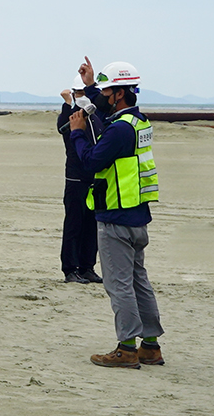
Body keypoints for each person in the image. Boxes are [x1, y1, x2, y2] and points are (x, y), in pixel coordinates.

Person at [69, 59, 163, 368]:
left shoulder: (119, 130)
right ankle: (150, 345)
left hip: (116, 219)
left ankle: (126, 349)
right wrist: (91, 86)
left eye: (108, 92)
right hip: (138, 217)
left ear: (119, 94)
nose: (104, 97)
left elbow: (91, 161)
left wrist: (78, 133)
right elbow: (100, 108)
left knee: (120, 285)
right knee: (139, 282)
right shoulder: (139, 123)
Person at [58, 82, 105, 284]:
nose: (83, 95)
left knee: (91, 225)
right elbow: (62, 128)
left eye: (84, 92)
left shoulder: (95, 116)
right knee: (74, 225)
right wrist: (67, 104)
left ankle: (87, 267)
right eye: (79, 92)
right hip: (76, 178)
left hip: (94, 179)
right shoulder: (74, 115)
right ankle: (70, 269)